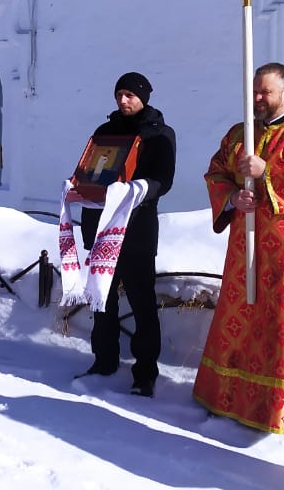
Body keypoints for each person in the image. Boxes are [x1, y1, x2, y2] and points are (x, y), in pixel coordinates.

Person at [192, 62, 284, 442]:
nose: (257, 98)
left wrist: (266, 172)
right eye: (254, 91)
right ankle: (228, 397)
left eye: (265, 92)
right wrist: (232, 198)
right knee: (240, 319)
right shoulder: (240, 133)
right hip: (245, 249)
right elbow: (216, 172)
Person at [71, 71, 176, 398]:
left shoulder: (159, 133)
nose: (123, 100)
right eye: (119, 95)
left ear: (143, 97)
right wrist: (78, 185)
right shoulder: (105, 132)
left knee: (141, 299)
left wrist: (138, 189)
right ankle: (104, 359)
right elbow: (91, 170)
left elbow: (164, 180)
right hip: (101, 224)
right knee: (102, 296)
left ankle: (145, 372)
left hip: (136, 227)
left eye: (130, 95)